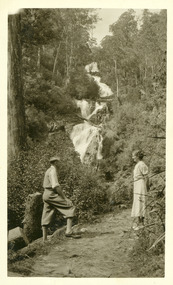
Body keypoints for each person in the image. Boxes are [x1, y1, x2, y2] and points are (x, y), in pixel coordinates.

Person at [41, 156, 81, 241]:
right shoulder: (53, 171)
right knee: (70, 206)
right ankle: (69, 231)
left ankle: (44, 239)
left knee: (46, 214)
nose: (60, 164)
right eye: (59, 162)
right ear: (55, 163)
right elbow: (56, 186)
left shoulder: (48, 170)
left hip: (45, 194)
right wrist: (65, 198)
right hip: (51, 194)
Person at [131, 150, 149, 230]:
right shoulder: (138, 164)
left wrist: (147, 187)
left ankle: (142, 224)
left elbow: (146, 177)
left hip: (141, 185)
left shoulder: (142, 164)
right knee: (138, 202)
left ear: (138, 156)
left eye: (134, 156)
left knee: (141, 201)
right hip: (137, 184)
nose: (133, 157)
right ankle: (139, 223)